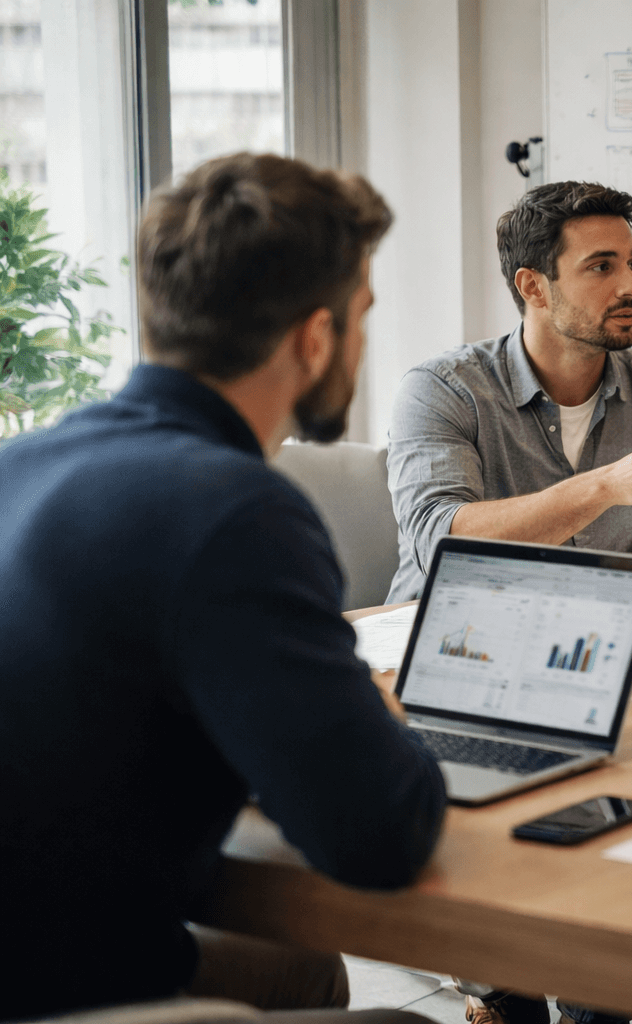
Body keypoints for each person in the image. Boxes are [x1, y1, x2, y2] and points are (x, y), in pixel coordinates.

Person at [0, 154, 447, 1022]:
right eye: (361, 319)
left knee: (301, 973)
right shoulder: (235, 510)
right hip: (58, 994)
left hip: (41, 949)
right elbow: (381, 834)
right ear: (315, 339)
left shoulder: (22, 461)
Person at [386, 181, 632, 604]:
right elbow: (439, 545)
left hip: (592, 646)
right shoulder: (441, 389)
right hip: (442, 645)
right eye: (602, 267)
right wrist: (609, 485)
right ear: (533, 287)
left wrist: (601, 597)